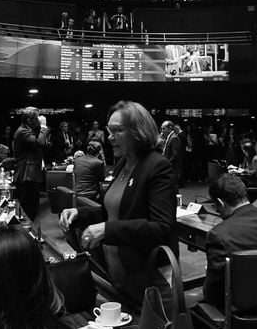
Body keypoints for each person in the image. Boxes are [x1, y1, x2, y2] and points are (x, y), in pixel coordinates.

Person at [59, 101, 176, 311]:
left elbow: (161, 227)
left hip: (150, 279)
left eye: (117, 131)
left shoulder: (158, 166)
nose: (110, 137)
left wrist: (106, 230)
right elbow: (111, 213)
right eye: (109, 131)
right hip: (120, 275)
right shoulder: (123, 163)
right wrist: (80, 213)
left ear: (137, 131)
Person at [198, 174, 257, 312]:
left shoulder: (218, 235)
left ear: (220, 203)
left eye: (216, 207)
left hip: (246, 320)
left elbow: (213, 296)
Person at [12, 108, 50, 223]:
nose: (38, 121)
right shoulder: (22, 131)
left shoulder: (28, 130)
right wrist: (43, 127)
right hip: (26, 175)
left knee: (33, 208)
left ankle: (29, 235)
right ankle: (27, 235)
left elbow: (41, 144)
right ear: (29, 120)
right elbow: (39, 142)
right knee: (29, 209)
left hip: (30, 175)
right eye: (36, 118)